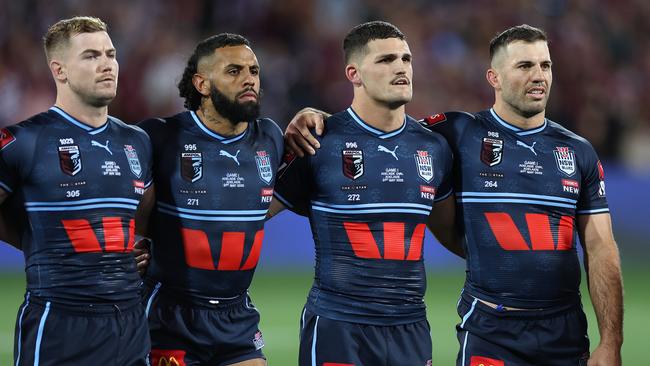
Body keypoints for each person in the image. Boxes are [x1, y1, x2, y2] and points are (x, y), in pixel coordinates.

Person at [286, 24, 623, 366]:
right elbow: (380, 129)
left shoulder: (578, 152)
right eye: (524, 66)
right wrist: (321, 119)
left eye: (545, 65)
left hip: (563, 329)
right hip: (488, 332)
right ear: (494, 77)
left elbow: (601, 247)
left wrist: (611, 342)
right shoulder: (457, 134)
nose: (538, 75)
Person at [268, 21, 456, 366]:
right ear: (353, 73)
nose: (400, 67)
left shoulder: (434, 147)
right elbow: (246, 215)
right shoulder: (318, 142)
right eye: (385, 60)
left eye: (406, 58)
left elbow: (452, 233)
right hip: (338, 328)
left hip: (410, 329)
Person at [0, 16, 153, 365]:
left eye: (110, 54)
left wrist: (146, 248)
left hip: (130, 325)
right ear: (60, 70)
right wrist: (32, 239)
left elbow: (145, 218)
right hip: (58, 324)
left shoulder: (136, 142)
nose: (107, 64)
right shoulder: (25, 141)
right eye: (90, 56)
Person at [138, 33, 283, 366]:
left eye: (254, 71)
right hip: (169, 316)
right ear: (202, 83)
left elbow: (269, 202)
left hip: (237, 316)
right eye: (234, 71)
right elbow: (111, 204)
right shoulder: (158, 136)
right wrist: (117, 252)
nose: (249, 79)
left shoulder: (270, 137)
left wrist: (312, 113)